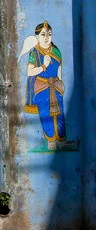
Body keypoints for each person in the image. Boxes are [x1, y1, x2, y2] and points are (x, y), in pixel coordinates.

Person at [18, 21, 75, 150]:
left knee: (60, 113)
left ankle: (61, 140)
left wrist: (61, 83)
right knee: (46, 114)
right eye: (43, 34)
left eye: (49, 34)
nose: (46, 37)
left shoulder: (56, 51)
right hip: (42, 87)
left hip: (55, 86)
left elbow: (59, 67)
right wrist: (43, 66)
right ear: (37, 37)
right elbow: (29, 71)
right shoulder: (35, 53)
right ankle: (51, 142)